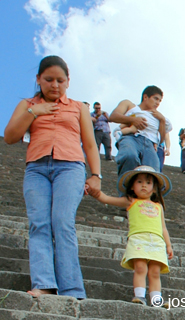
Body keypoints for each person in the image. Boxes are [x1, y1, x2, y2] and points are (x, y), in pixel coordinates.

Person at [3, 55, 101, 298]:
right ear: (38, 79)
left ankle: (72, 289)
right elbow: (10, 136)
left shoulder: (79, 107)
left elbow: (89, 144)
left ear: (68, 81)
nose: (54, 85)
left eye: (60, 80)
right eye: (48, 79)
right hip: (36, 169)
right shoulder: (28, 104)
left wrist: (96, 174)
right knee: (39, 224)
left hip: (70, 167)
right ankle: (44, 284)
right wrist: (34, 111)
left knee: (62, 221)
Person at [89, 165, 173, 306]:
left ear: (154, 189)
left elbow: (163, 227)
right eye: (139, 182)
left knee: (155, 272)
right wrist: (95, 192)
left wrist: (169, 245)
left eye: (148, 182)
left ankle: (156, 299)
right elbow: (107, 199)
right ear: (132, 187)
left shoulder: (158, 206)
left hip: (157, 241)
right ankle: (140, 296)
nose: (144, 186)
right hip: (138, 239)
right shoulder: (131, 201)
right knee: (140, 268)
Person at [109, 86, 172, 195]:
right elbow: (113, 116)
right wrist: (133, 120)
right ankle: (125, 196)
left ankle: (147, 203)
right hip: (131, 137)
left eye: (160, 101)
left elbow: (161, 138)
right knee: (129, 156)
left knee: (152, 171)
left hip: (149, 143)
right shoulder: (130, 105)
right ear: (145, 97)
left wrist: (161, 120)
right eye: (156, 98)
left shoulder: (157, 116)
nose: (158, 103)